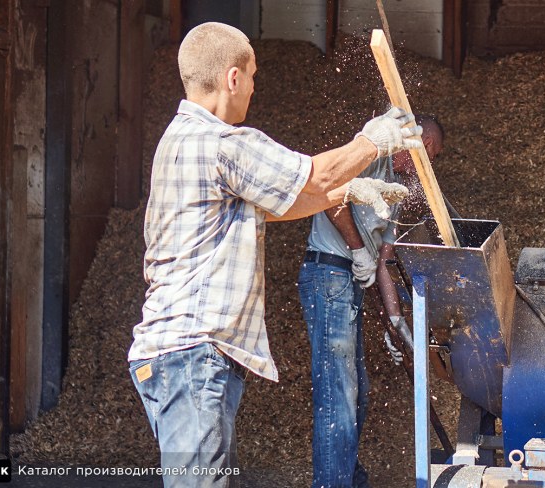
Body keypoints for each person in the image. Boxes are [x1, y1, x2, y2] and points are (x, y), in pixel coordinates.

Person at [127, 22, 423, 488]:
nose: (254, 87)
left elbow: (281, 202)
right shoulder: (222, 143)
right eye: (253, 75)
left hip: (175, 352)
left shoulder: (178, 138)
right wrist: (374, 141)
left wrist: (350, 189)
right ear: (232, 79)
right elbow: (313, 177)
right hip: (193, 350)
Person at [297, 116, 445, 488]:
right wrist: (357, 249)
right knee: (339, 395)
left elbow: (383, 261)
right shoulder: (371, 154)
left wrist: (396, 322)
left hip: (349, 282)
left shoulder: (395, 192)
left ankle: (348, 477)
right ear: (422, 146)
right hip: (328, 274)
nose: (431, 166)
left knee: (356, 393)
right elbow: (329, 196)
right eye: (432, 156)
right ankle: (335, 483)